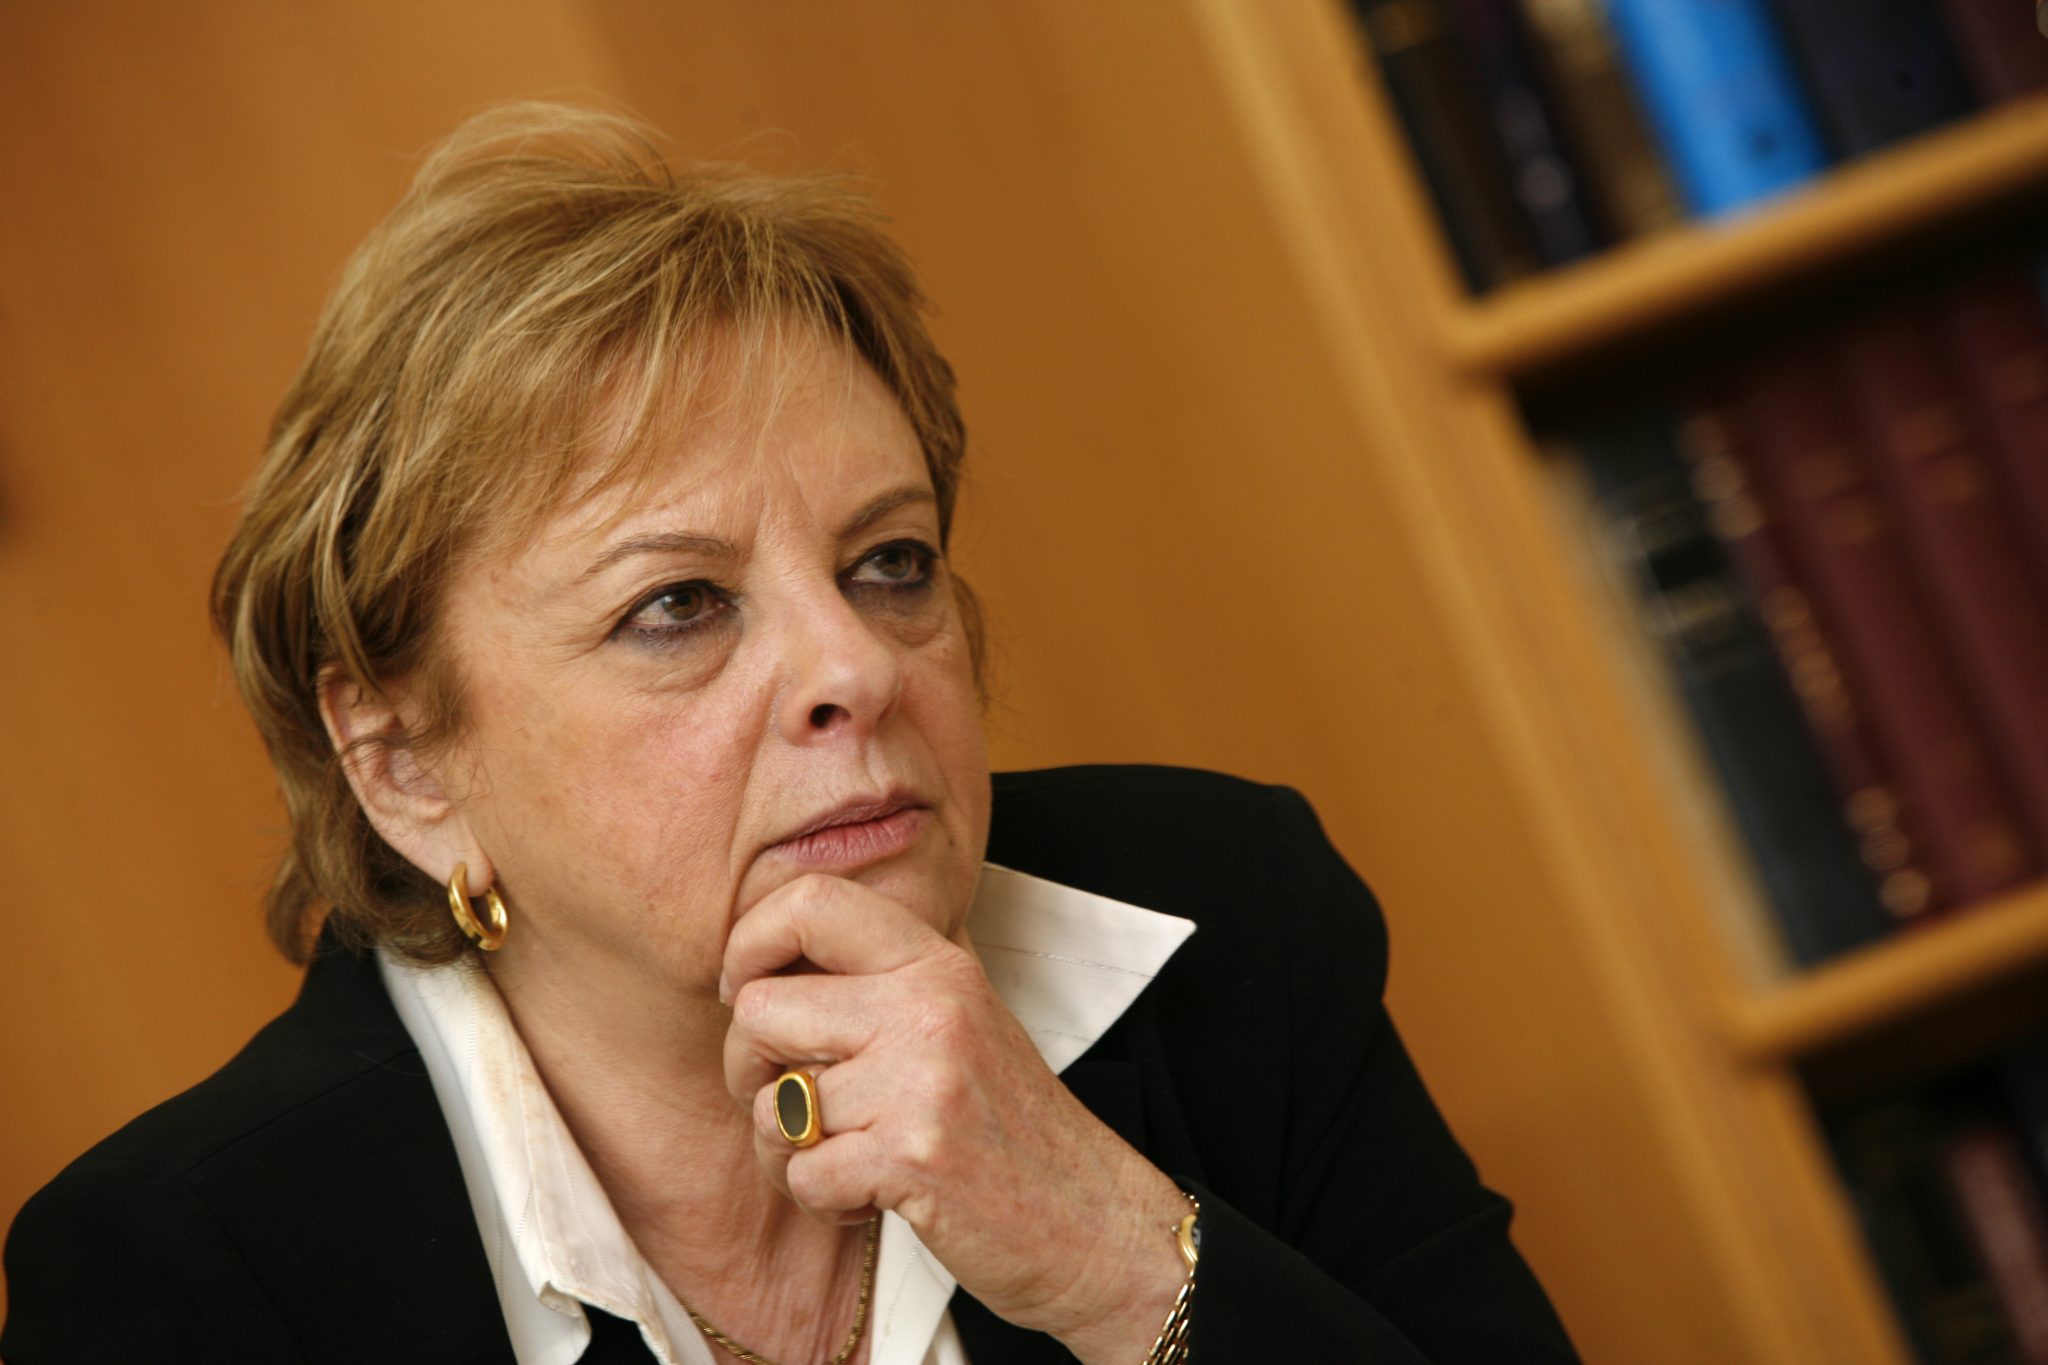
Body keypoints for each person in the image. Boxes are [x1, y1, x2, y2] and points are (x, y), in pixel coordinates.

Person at [1, 104, 1577, 1365]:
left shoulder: (1234, 927)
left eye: (889, 563)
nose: (857, 665)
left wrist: (1114, 1255)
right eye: (678, 604)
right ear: (406, 761)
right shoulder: (188, 1274)